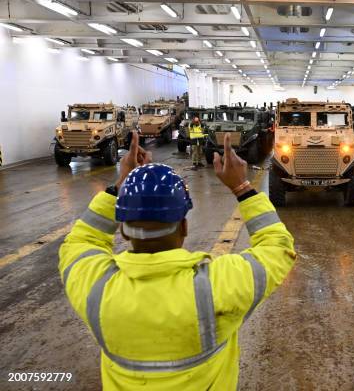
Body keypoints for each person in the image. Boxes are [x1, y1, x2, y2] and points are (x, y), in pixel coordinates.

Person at [58, 131, 296, 390]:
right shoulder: (219, 286)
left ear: (123, 230)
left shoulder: (96, 288)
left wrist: (119, 185)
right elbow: (278, 247)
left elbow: (82, 240)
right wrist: (242, 187)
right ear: (183, 227)